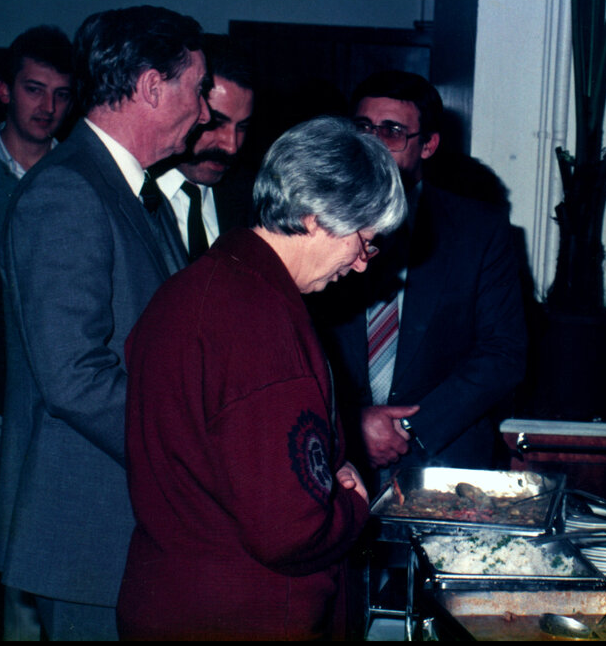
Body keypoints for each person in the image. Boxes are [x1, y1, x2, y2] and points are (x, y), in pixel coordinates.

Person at [117, 116, 406, 640]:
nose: (363, 265)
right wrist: (351, 505)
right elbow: (288, 531)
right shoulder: (261, 322)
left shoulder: (194, 285)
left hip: (168, 595)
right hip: (245, 614)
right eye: (364, 241)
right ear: (318, 217)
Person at [0, 6, 209, 640]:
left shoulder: (137, 192)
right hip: (89, 523)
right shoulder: (69, 192)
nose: (203, 112)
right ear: (150, 86)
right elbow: (73, 378)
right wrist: (190, 449)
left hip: (130, 518)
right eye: (196, 90)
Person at [311, 70, 528, 489]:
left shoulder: (479, 231)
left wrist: (410, 428)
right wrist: (352, 424)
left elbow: (503, 353)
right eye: (362, 128)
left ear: (427, 145)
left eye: (392, 132)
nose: (372, 144)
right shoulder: (313, 222)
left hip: (443, 458)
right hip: (332, 455)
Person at [0, 24, 73, 642]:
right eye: (34, 89)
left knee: (32, 583)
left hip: (47, 406)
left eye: (60, 94)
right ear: (5, 90)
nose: (46, 107)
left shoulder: (73, 176)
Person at [150, 35, 255, 261]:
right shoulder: (133, 192)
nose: (231, 145)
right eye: (216, 123)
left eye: (242, 127)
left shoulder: (250, 200)